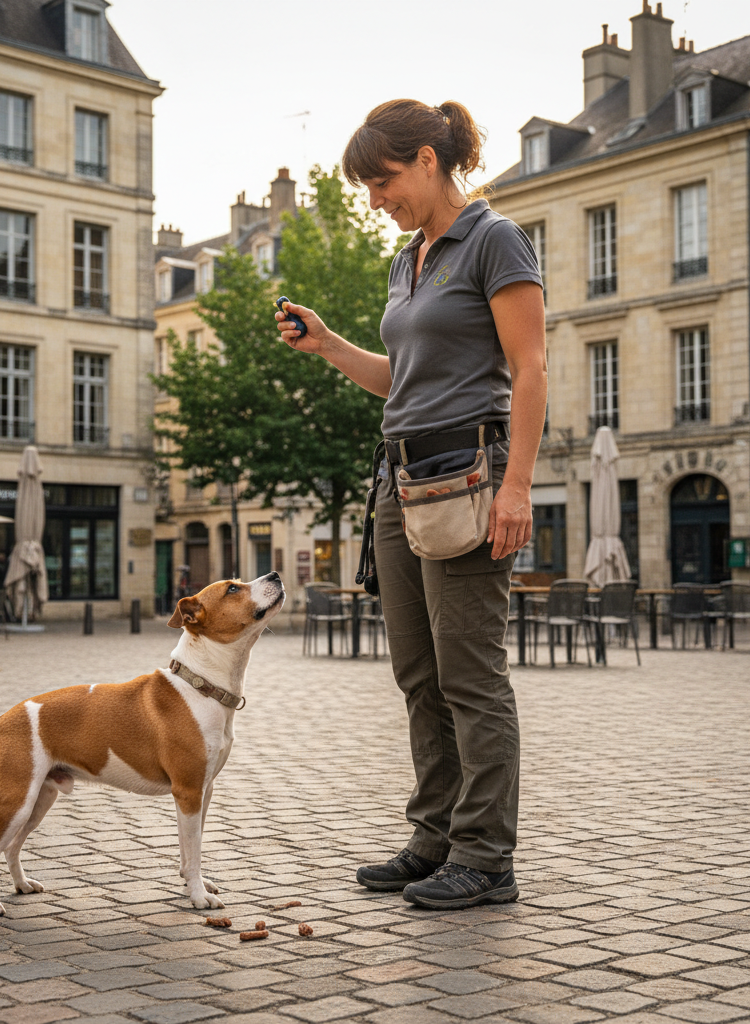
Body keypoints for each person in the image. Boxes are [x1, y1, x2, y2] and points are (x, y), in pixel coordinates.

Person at [276, 99, 547, 910]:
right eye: (366, 186)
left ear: (429, 160)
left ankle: (487, 856)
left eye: (382, 179)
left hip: (469, 479)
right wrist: (327, 345)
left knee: (472, 677)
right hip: (400, 483)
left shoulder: (495, 239)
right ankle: (435, 838)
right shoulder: (409, 259)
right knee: (418, 676)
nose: (375, 198)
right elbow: (403, 380)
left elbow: (530, 368)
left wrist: (518, 484)